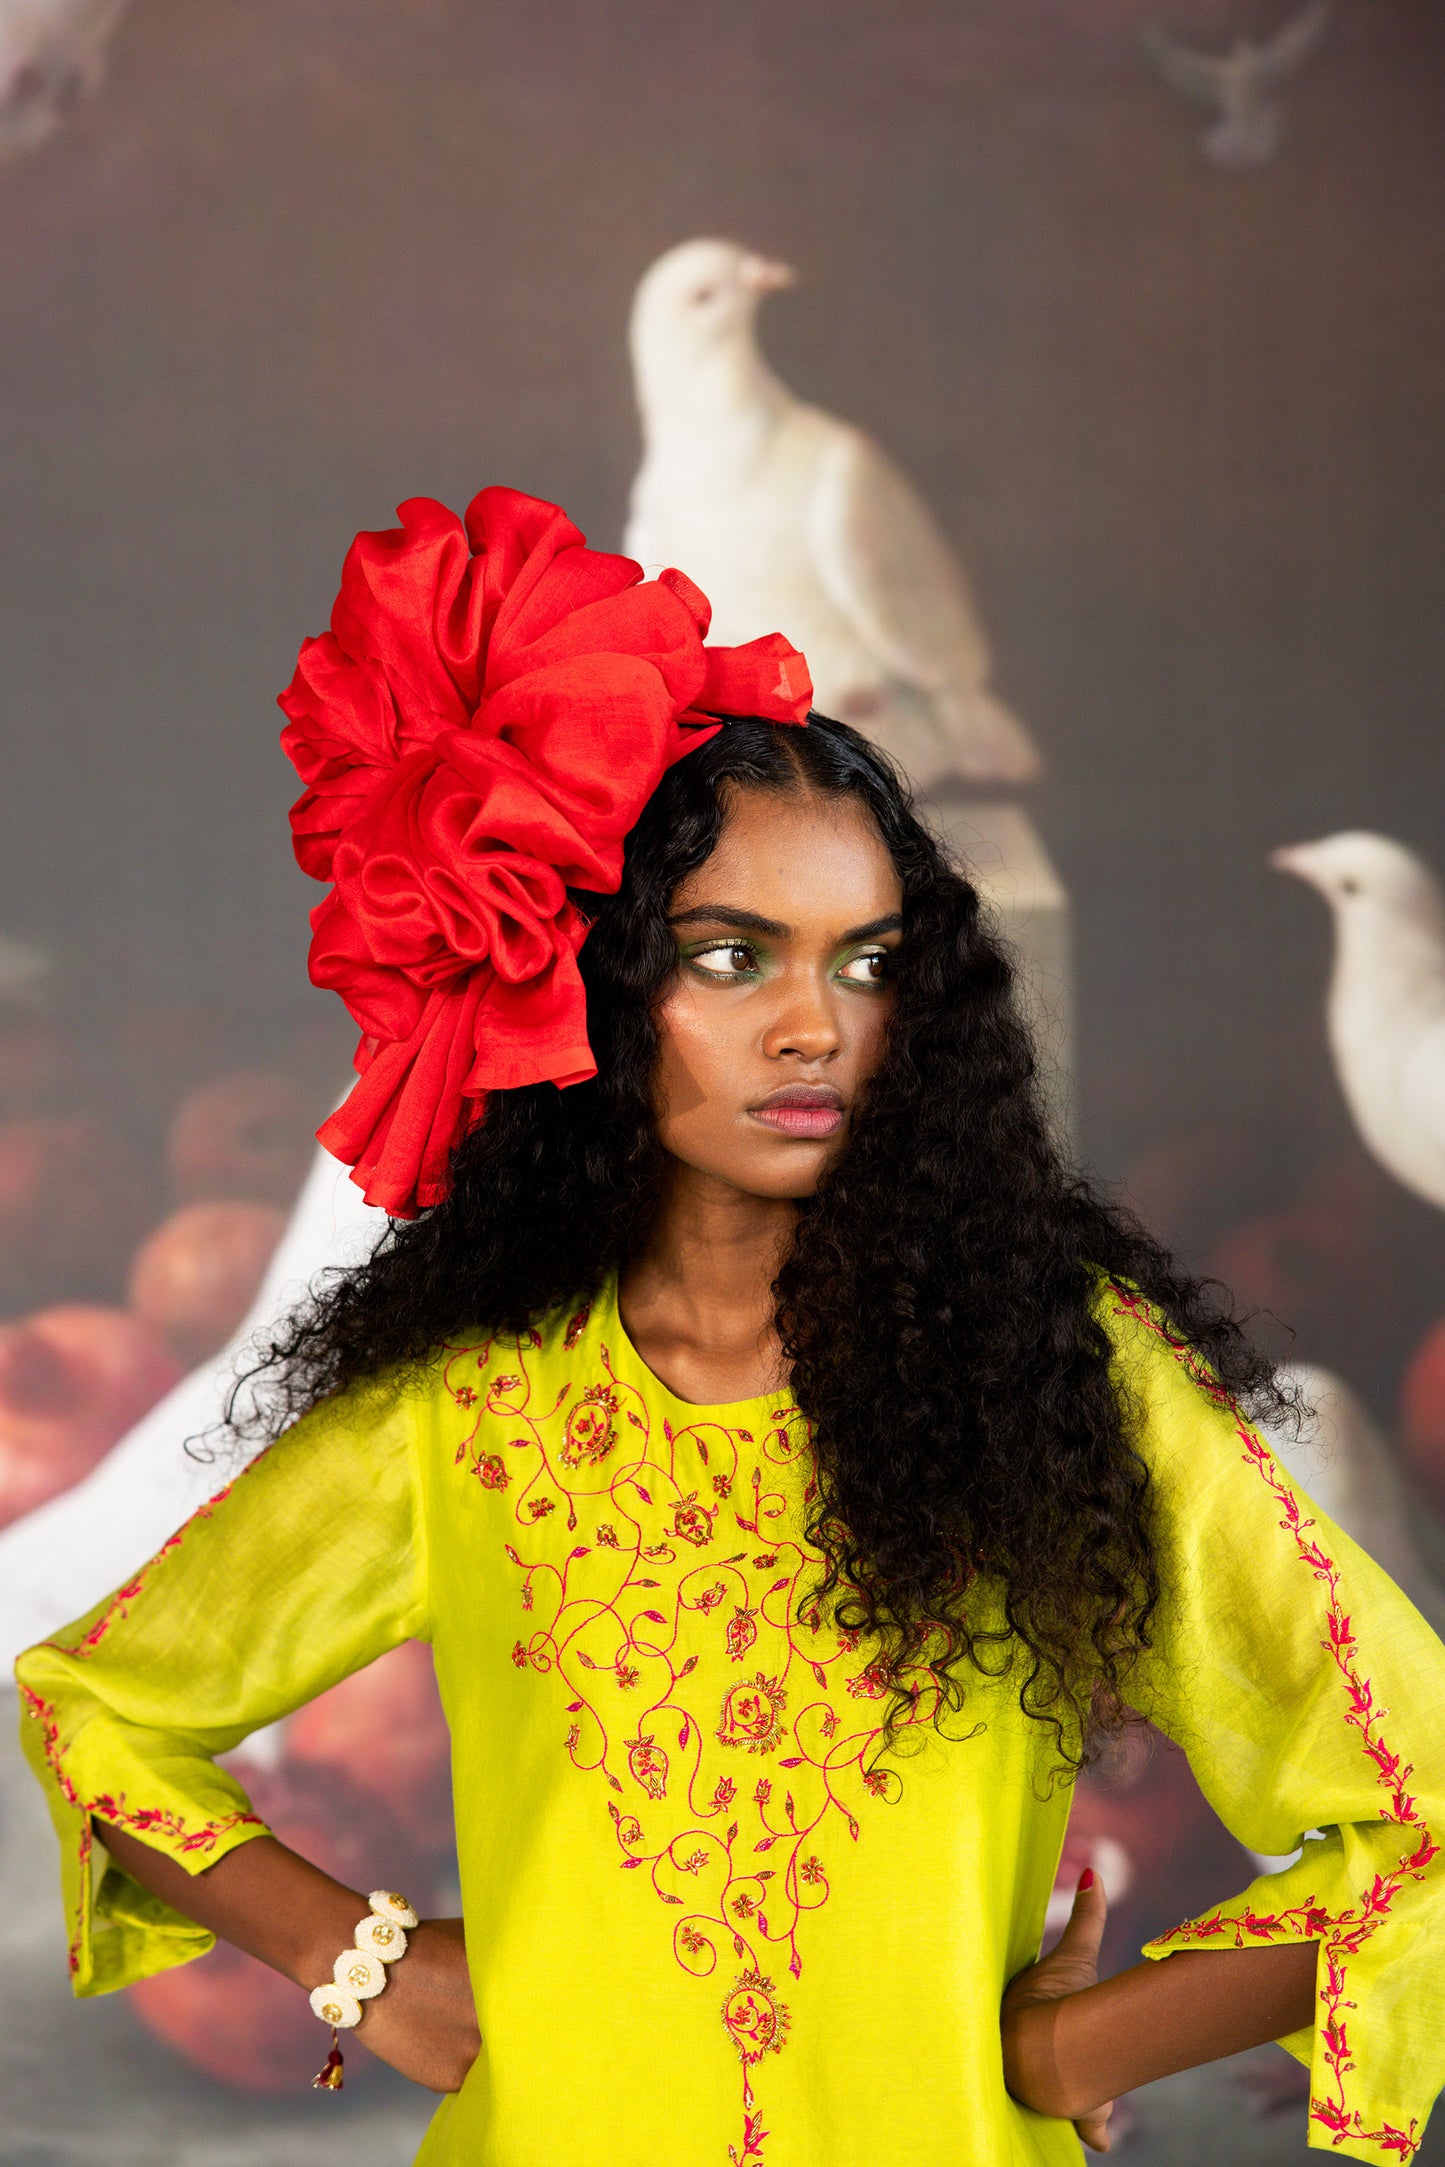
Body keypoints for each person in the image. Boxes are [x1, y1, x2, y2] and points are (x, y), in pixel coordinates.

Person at [15, 487, 1445, 2167]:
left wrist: (1084, 2044)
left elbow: (1415, 1813)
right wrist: (360, 1963)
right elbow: (97, 1707)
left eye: (866, 964)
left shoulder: (1053, 1370)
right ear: (600, 986)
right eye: (728, 958)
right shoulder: (477, 1401)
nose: (811, 1026)